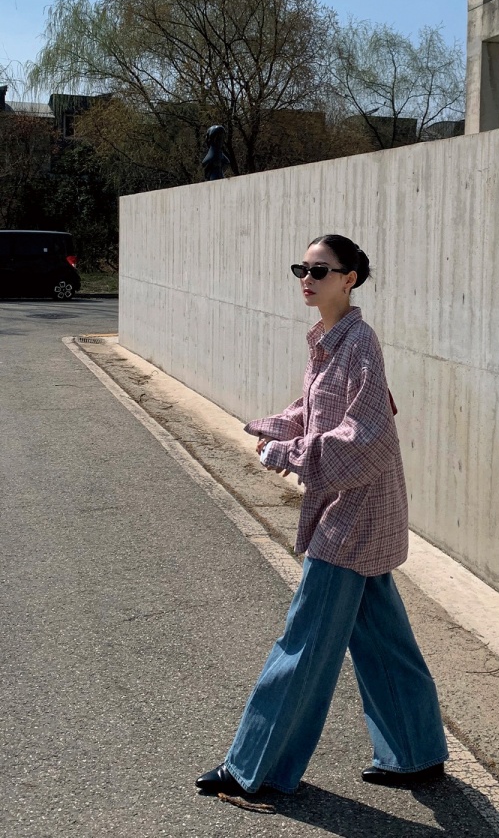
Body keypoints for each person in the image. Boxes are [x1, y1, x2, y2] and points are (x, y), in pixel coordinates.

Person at [196, 234, 448, 796]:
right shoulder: (329, 341)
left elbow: (367, 438)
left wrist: (289, 453)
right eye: (301, 270)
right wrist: (274, 428)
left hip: (353, 515)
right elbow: (315, 410)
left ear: (349, 278)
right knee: (381, 636)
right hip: (356, 509)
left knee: (304, 642)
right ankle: (416, 752)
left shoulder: (359, 344)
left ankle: (254, 768)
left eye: (319, 270)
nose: (306, 280)